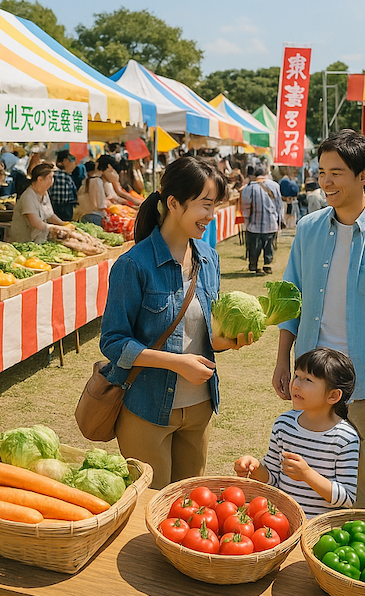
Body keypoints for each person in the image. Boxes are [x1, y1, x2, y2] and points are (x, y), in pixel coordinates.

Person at [273, 129, 365, 509]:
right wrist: (281, 362)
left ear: (364, 175)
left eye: (336, 172)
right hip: (309, 375)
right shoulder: (307, 230)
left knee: (362, 479)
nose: (325, 182)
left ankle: (351, 565)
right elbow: (291, 303)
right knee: (303, 471)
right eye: (321, 172)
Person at [99, 156, 252, 489]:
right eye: (205, 206)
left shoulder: (208, 259)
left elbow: (203, 333)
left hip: (200, 409)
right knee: (150, 508)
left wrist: (227, 340)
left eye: (215, 207)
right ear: (173, 203)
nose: (211, 217)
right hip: (147, 409)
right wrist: (177, 364)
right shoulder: (133, 265)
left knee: (188, 506)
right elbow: (113, 341)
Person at [235, 348, 359, 518]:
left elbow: (347, 498)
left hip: (319, 533)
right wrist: (255, 467)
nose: (296, 384)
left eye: (308, 379)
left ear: (333, 396)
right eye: (297, 376)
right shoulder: (284, 424)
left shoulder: (345, 438)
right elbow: (273, 479)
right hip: (283, 524)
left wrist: (307, 475)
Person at [8, 163, 66, 243]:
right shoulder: (28, 196)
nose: (52, 181)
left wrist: (64, 225)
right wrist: (57, 229)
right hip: (24, 242)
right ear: (40, 179)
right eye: (50, 177)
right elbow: (35, 222)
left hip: (39, 241)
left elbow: (50, 215)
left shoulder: (44, 194)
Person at [241, 165, 282, 275]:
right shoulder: (275, 185)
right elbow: (279, 205)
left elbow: (246, 206)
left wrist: (247, 220)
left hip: (254, 225)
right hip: (271, 223)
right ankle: (267, 266)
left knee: (254, 246)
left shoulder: (249, 187)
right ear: (265, 172)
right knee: (269, 246)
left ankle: (254, 265)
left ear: (254, 174)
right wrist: (279, 220)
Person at [49, 150, 78, 222]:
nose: (74, 162)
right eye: (72, 159)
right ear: (65, 161)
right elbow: (59, 199)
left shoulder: (58, 175)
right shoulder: (62, 176)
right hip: (62, 213)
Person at [74, 161, 106, 226]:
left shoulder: (84, 182)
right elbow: (100, 204)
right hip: (96, 216)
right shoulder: (97, 181)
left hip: (83, 216)